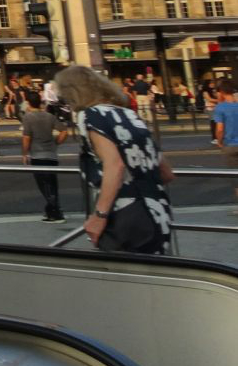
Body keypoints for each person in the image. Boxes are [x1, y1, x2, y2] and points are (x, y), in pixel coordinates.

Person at [55, 65, 174, 255]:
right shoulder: (129, 114)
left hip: (124, 214)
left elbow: (114, 164)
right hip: (158, 211)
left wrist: (99, 215)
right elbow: (166, 172)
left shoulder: (91, 115)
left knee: (122, 276)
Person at [20, 93, 69, 222]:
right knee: (52, 184)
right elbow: (64, 131)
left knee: (44, 185)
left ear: (28, 103)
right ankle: (50, 210)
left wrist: (24, 154)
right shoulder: (50, 116)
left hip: (37, 155)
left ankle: (56, 213)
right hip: (52, 154)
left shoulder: (28, 118)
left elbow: (26, 138)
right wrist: (56, 142)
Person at [210, 80, 238, 207]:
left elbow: (220, 129)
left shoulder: (220, 108)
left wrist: (219, 141)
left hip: (230, 145)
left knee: (236, 179)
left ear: (221, 92)